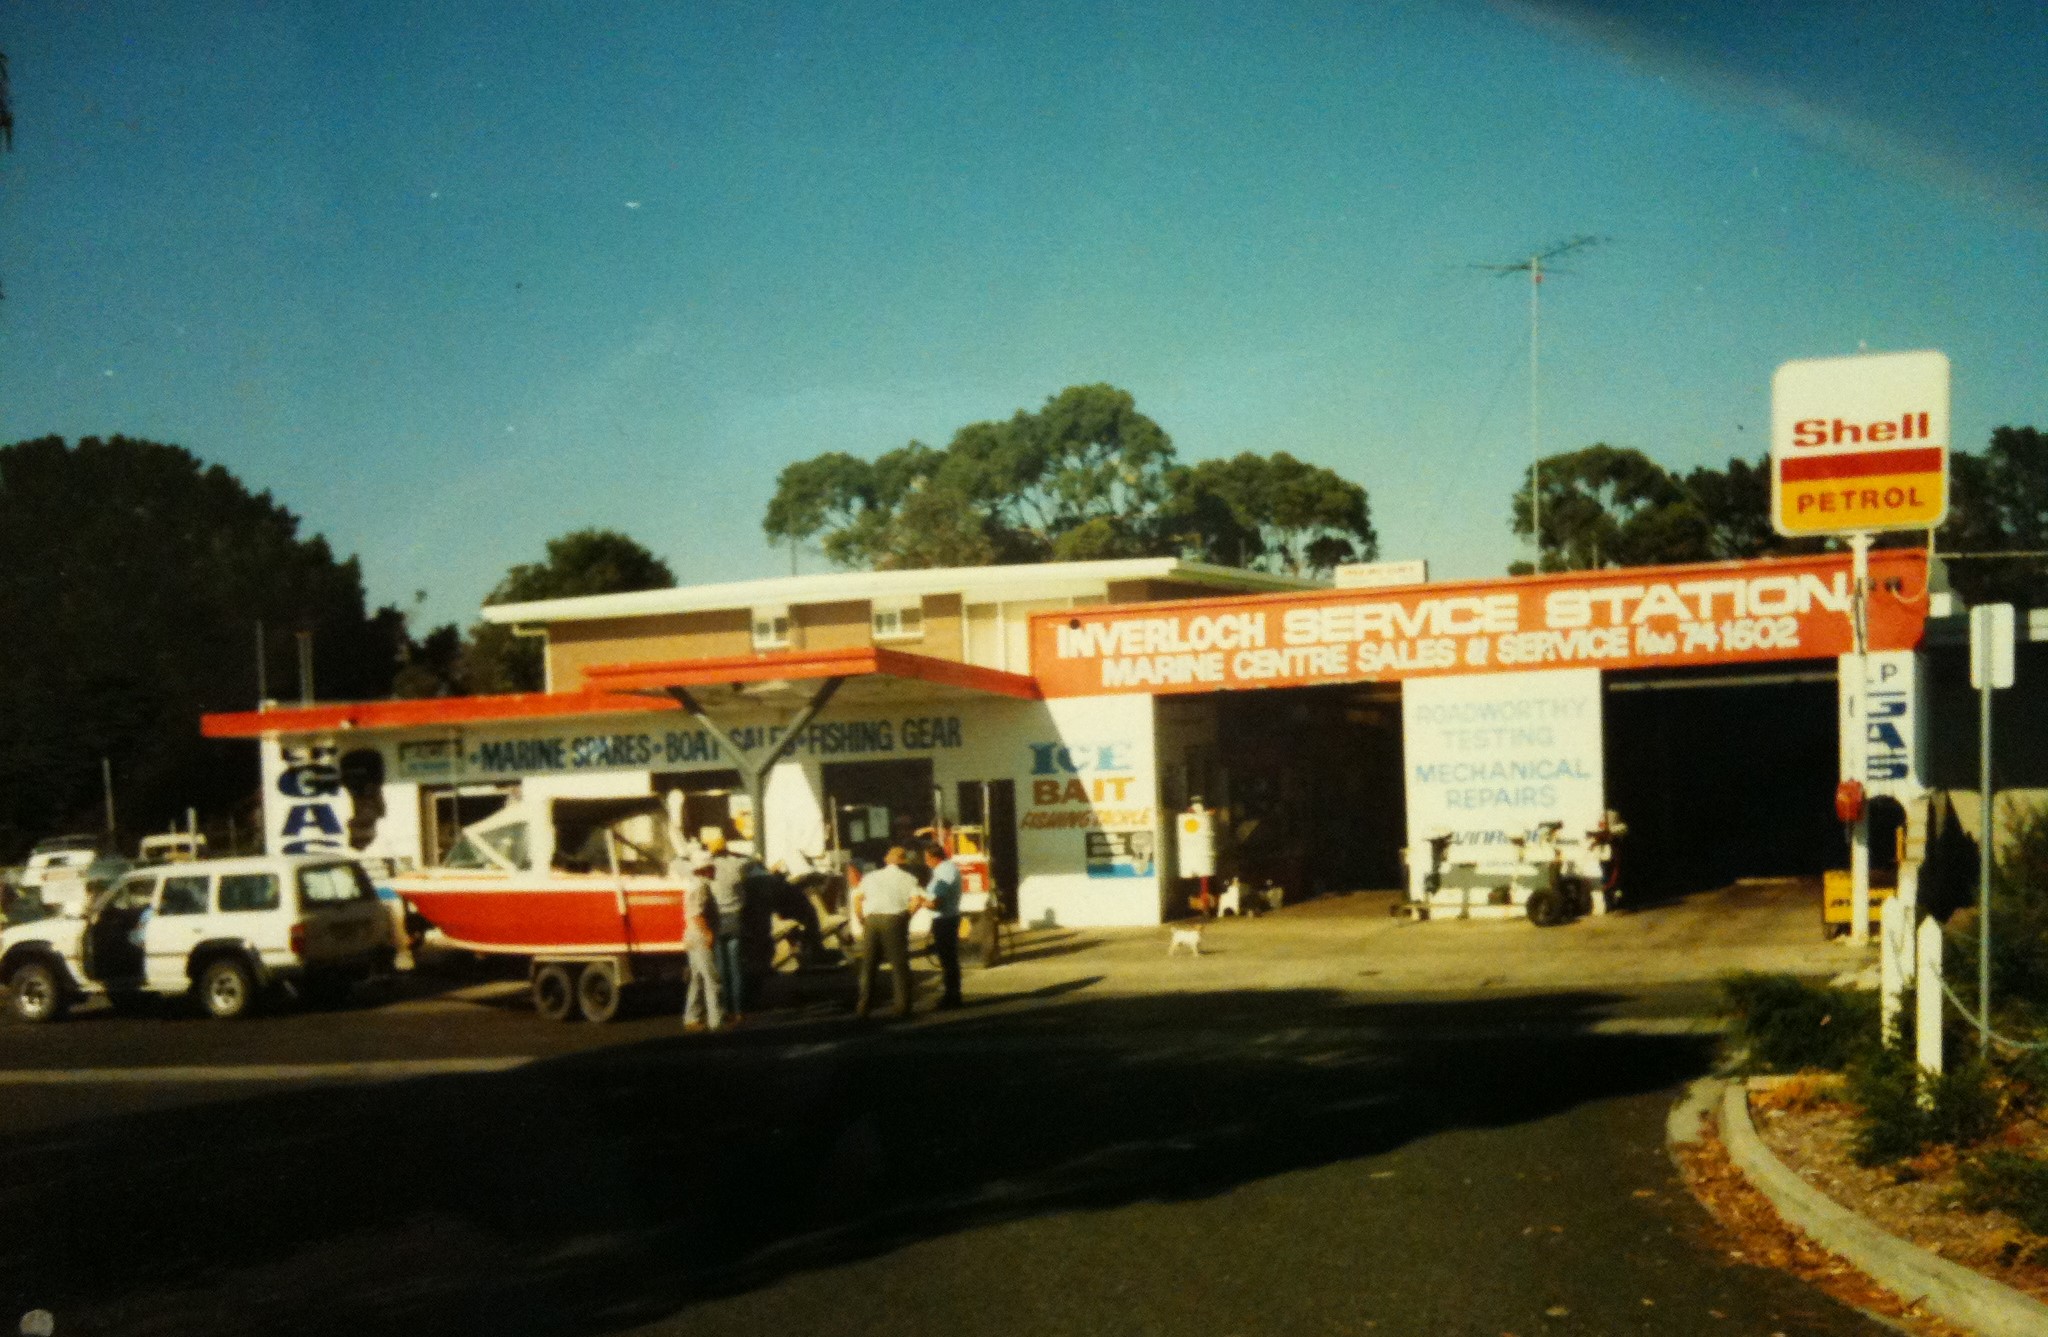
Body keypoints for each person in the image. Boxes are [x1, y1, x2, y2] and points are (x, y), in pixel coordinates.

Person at [851, 845, 922, 1019]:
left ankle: (864, 1006)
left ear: (886, 860)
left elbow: (858, 899)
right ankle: (902, 1006)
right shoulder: (909, 878)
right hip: (894, 920)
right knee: (899, 965)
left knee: (868, 965)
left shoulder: (870, 876)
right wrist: (906, 917)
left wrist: (862, 918)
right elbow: (916, 901)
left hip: (872, 920)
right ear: (904, 862)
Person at [705, 830, 751, 1023]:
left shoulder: (708, 868)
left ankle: (726, 1009)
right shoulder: (736, 865)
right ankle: (739, 1011)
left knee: (722, 970)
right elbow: (752, 860)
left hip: (717, 919)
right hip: (735, 918)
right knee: (736, 968)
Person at [676, 850, 725, 1032]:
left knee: (696, 979)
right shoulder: (701, 887)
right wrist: (708, 933)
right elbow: (697, 914)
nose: (714, 871)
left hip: (691, 935)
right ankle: (716, 1021)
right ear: (704, 869)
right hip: (699, 936)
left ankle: (692, 1017)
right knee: (712, 979)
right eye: (711, 867)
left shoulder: (693, 884)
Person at [922, 842, 964, 1010]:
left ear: (934, 858)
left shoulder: (945, 871)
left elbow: (937, 901)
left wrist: (922, 902)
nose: (925, 862)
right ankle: (952, 993)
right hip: (944, 918)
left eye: (927, 858)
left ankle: (952, 995)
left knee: (948, 959)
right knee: (947, 958)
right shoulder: (942, 870)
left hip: (945, 918)